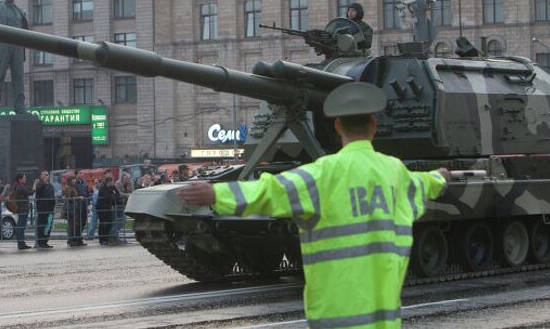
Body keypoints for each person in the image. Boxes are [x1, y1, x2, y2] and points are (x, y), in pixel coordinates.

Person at [178, 82, 450, 328]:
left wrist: (216, 195)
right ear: (374, 125)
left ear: (337, 126)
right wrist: (441, 177)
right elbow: (423, 183)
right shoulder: (395, 171)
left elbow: (273, 191)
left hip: (338, 318)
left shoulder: (323, 174)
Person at [12, 173, 36, 250]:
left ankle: (21, 243)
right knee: (21, 227)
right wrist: (35, 183)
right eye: (24, 178)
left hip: (22, 209)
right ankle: (21, 243)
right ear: (20, 179)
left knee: (21, 226)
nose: (25, 179)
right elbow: (31, 192)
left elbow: (30, 189)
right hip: (22, 209)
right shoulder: (20, 187)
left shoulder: (20, 186)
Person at [35, 170, 55, 249]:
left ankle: (45, 241)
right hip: (42, 210)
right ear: (41, 176)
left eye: (47, 175)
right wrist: (43, 184)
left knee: (48, 226)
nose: (47, 176)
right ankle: (41, 242)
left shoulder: (50, 186)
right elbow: (38, 193)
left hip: (50, 210)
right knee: (42, 226)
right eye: (45, 175)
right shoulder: (39, 185)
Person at [97, 177, 119, 245]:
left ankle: (106, 238)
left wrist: (113, 193)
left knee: (109, 223)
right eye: (112, 181)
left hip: (108, 208)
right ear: (108, 182)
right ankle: (102, 239)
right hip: (102, 208)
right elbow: (107, 197)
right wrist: (113, 196)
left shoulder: (112, 187)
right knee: (103, 223)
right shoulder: (103, 188)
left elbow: (117, 194)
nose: (113, 183)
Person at [112, 172, 133, 244]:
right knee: (117, 221)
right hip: (117, 205)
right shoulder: (117, 183)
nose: (129, 180)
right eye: (128, 178)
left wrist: (128, 195)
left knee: (123, 220)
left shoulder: (130, 183)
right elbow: (119, 193)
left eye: (130, 178)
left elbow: (132, 191)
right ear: (123, 178)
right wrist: (127, 195)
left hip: (124, 204)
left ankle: (116, 236)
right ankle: (113, 236)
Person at [64, 175, 85, 246]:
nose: (74, 180)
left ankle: (77, 239)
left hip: (75, 207)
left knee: (76, 224)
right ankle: (71, 240)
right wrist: (78, 197)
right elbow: (69, 198)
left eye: (74, 179)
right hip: (70, 208)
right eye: (73, 179)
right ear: (70, 180)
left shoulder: (74, 187)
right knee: (71, 225)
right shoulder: (68, 188)